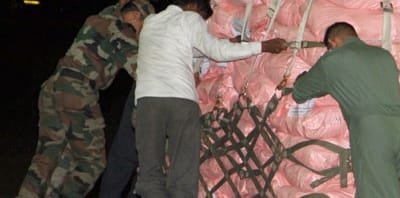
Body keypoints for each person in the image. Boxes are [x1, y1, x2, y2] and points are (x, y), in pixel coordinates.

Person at [134, 0, 288, 196]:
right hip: (180, 101)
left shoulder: (151, 22)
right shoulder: (189, 18)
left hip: (148, 101)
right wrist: (262, 46)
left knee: (149, 172)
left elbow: (193, 48)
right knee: (182, 171)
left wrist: (226, 42)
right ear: (195, 7)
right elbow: (216, 51)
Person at [17, 1, 153, 197]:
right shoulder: (122, 33)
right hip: (76, 91)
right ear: (135, 16)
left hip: (52, 87)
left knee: (51, 157)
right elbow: (144, 73)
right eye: (144, 25)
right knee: (93, 163)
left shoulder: (98, 18)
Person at [98, 6, 214, 198]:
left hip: (155, 95)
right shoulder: (177, 25)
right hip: (156, 95)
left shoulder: (172, 25)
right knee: (131, 156)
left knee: (141, 161)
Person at [291, 22, 400, 198]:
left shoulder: (333, 59)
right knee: (385, 191)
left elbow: (300, 92)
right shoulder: (384, 56)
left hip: (372, 133)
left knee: (375, 194)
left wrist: (302, 79)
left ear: (333, 42)